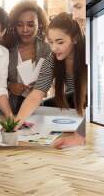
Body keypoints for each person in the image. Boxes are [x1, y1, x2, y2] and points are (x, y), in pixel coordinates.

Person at [15, 12, 87, 148]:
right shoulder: (51, 60)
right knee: (40, 107)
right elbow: (36, 95)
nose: (54, 48)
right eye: (51, 42)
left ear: (75, 39)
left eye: (60, 42)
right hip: (72, 101)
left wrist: (79, 137)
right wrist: (17, 122)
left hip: (86, 101)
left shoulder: (88, 57)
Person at [0, 0, 51, 114]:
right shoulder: (6, 48)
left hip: (35, 109)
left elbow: (50, 81)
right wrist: (10, 86)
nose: (24, 30)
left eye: (30, 24)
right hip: (5, 109)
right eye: (19, 24)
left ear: (39, 24)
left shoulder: (47, 50)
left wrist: (40, 89)